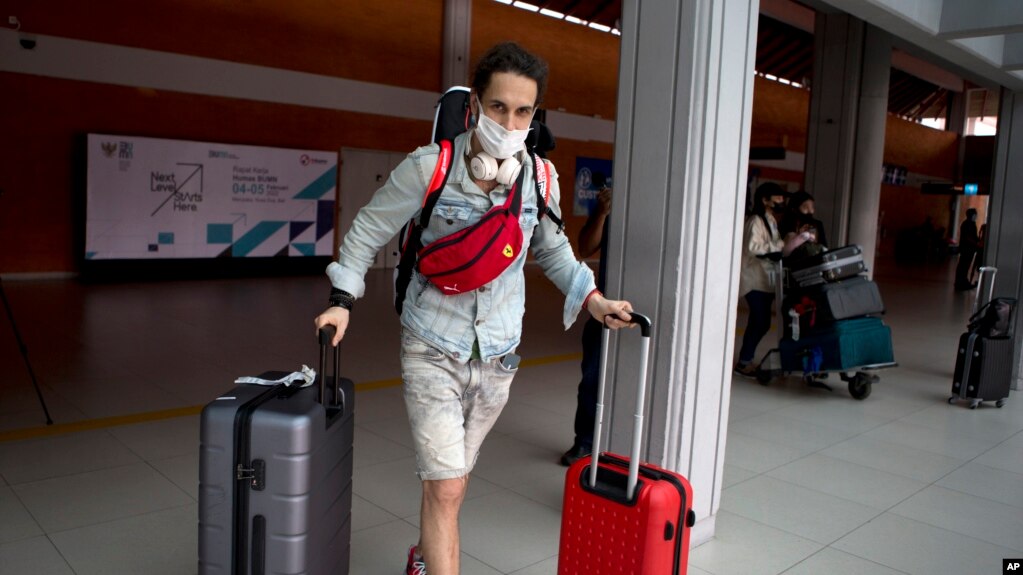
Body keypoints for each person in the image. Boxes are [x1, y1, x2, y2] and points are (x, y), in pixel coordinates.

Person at [313, 42, 634, 575]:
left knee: (451, 485)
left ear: (535, 115)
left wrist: (594, 301)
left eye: (523, 111)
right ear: (475, 107)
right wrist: (342, 299)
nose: (510, 121)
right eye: (498, 107)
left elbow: (552, 247)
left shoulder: (540, 177)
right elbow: (369, 227)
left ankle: (423, 558)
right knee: (447, 485)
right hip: (431, 345)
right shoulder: (430, 167)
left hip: (499, 356)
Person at [560, 174, 611, 467]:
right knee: (592, 377)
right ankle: (585, 442)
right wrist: (603, 212)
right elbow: (585, 248)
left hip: (643, 310)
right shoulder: (612, 205)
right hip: (605, 306)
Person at [735, 182, 788, 378]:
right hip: (753, 280)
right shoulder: (755, 221)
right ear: (765, 200)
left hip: (764, 280)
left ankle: (745, 359)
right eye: (778, 198)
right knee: (760, 321)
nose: (781, 201)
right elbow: (752, 247)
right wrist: (779, 245)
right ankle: (744, 362)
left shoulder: (770, 220)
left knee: (760, 322)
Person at [955, 208, 979, 291]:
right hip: (967, 248)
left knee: (964, 266)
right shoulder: (968, 224)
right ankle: (961, 283)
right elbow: (967, 237)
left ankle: (962, 282)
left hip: (967, 248)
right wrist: (976, 243)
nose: (976, 216)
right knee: (963, 266)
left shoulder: (968, 223)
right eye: (975, 214)